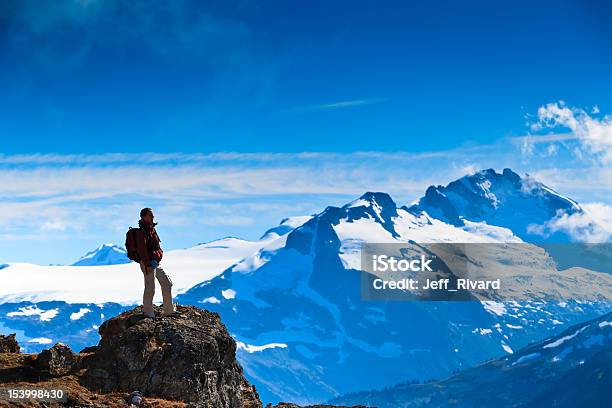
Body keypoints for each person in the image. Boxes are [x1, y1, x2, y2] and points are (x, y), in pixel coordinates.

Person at [136, 207, 177, 318]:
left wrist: (157, 257)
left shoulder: (152, 230)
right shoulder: (141, 232)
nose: (153, 217)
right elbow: (142, 250)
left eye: (152, 215)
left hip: (155, 262)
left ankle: (169, 311)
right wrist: (148, 264)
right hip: (147, 263)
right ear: (144, 217)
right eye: (150, 215)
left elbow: (157, 246)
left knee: (167, 283)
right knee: (150, 287)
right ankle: (148, 313)